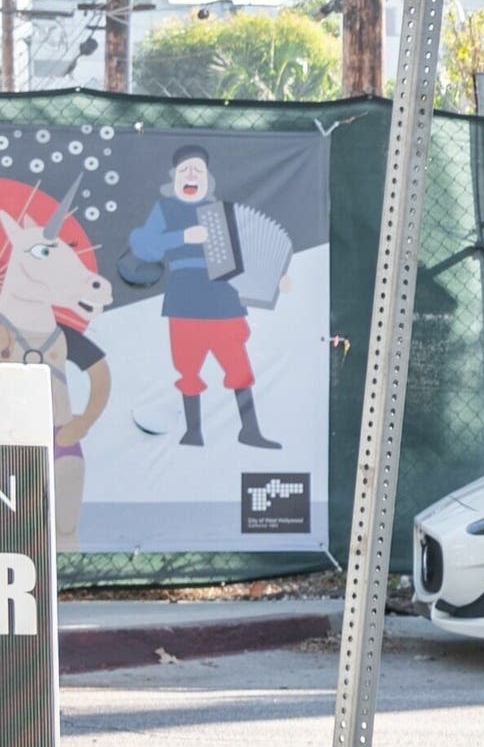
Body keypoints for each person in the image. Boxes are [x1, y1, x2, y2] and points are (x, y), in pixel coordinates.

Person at [123, 146, 280, 452]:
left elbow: (246, 256)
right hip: (185, 300)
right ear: (174, 179)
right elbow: (143, 247)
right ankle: (193, 431)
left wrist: (275, 278)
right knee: (188, 367)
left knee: (239, 366)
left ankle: (250, 430)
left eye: (197, 170)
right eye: (185, 170)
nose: (191, 175)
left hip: (224, 301)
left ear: (208, 179)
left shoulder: (221, 211)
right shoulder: (166, 209)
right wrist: (182, 237)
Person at [0, 183, 111, 542]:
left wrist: (85, 421)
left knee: (65, 528)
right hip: (8, 442)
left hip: (60, 437)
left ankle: (58, 589)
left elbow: (99, 372)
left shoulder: (62, 335)